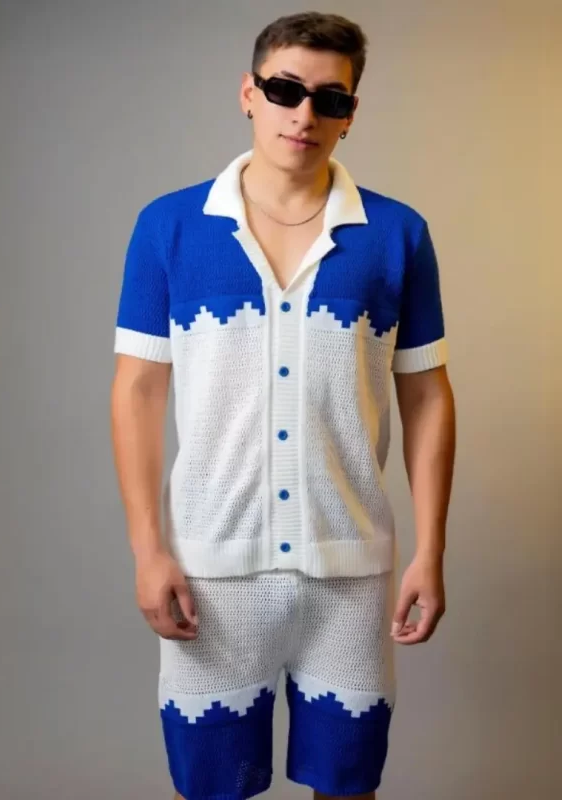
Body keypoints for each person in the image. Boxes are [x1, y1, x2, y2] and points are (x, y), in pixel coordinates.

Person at [110, 11, 456, 800]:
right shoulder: (170, 228)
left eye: (330, 100)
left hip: (351, 576)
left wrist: (430, 550)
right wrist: (147, 549)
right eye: (284, 91)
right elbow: (137, 391)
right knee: (215, 790)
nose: (304, 115)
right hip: (210, 574)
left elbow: (428, 395)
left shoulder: (396, 234)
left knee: (349, 787)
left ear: (350, 113)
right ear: (248, 93)